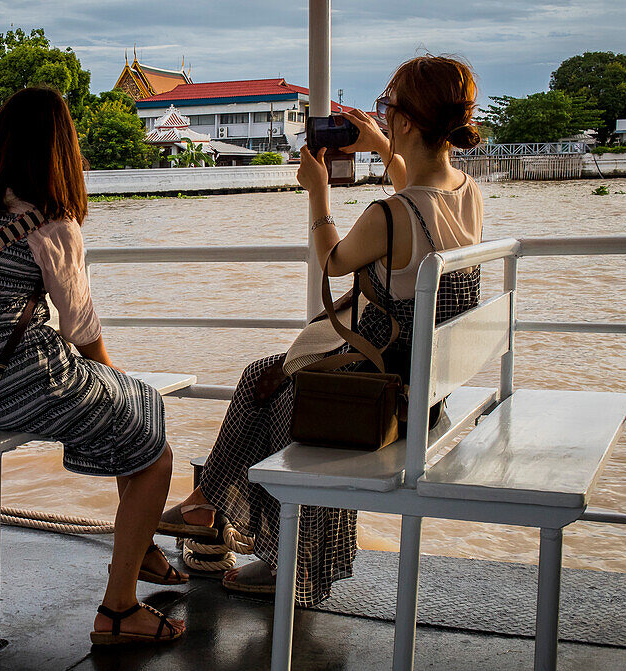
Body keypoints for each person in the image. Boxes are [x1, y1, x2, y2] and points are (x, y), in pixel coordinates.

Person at [159, 55, 484, 604]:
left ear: (406, 120)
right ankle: (224, 517)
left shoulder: (389, 214)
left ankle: (287, 558)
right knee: (268, 375)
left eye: (388, 110)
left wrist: (317, 190)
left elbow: (333, 260)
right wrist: (383, 146)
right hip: (427, 391)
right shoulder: (465, 192)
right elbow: (417, 196)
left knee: (281, 401)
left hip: (386, 401)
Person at [0, 87, 184, 645]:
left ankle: (141, 556)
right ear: (60, 151)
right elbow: (81, 331)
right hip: (19, 380)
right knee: (152, 437)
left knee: (131, 416)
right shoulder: (53, 226)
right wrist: (116, 379)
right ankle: (118, 610)